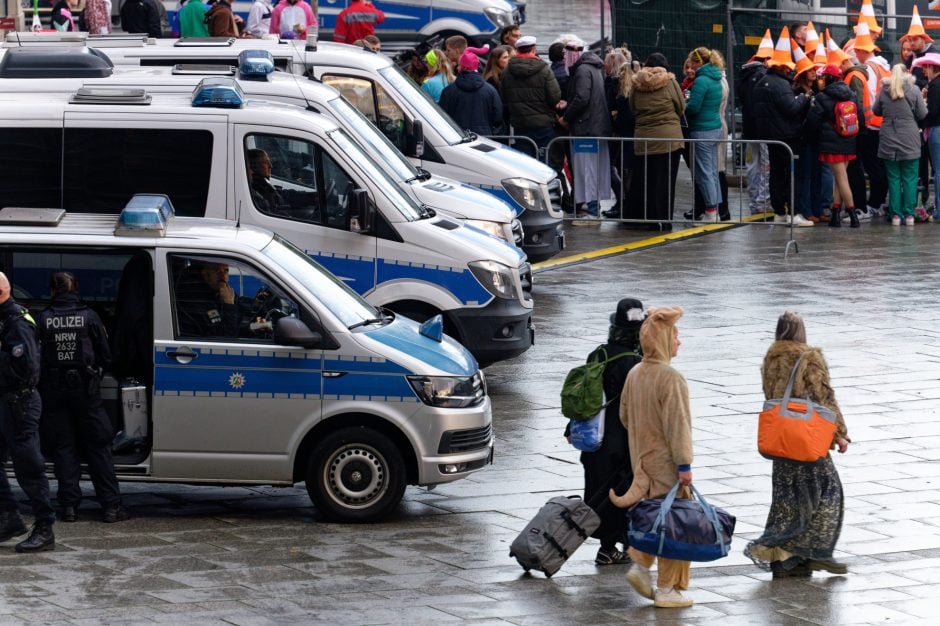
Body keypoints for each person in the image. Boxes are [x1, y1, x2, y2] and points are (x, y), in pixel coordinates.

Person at [745, 311, 850, 578]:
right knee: (827, 492)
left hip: (782, 441)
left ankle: (787, 558)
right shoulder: (809, 357)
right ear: (801, 331)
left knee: (787, 500)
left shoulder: (771, 357)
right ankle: (813, 554)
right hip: (807, 440)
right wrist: (839, 433)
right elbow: (823, 396)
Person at [610, 306, 695, 608]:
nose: (679, 342)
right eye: (675, 336)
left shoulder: (636, 372)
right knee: (676, 525)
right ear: (663, 340)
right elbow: (678, 425)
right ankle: (668, 588)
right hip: (667, 465)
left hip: (642, 462)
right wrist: (684, 464)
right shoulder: (670, 377)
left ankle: (641, 566)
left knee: (655, 519)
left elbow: (624, 417)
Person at [38, 273, 127, 525]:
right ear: (76, 290)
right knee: (98, 447)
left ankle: (68, 508)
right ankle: (111, 507)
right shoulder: (90, 317)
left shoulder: (44, 318)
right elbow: (107, 355)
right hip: (86, 393)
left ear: (52, 291)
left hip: (54, 393)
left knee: (64, 448)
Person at [563, 298, 644, 565]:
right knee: (622, 494)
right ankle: (626, 546)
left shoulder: (599, 353)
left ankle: (607, 548)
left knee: (598, 492)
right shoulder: (634, 363)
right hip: (621, 442)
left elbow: (588, 394)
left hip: (593, 439)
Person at [0, 272, 55, 553]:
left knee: (29, 468)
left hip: (19, 403)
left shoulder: (17, 322)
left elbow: (26, 369)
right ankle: (8, 518)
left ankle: (45, 528)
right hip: (5, 402)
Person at [751, 28, 810, 225]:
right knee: (794, 174)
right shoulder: (781, 85)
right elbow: (792, 108)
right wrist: (804, 97)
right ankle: (795, 213)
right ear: (784, 66)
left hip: (771, 137)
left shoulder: (761, 82)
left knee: (776, 174)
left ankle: (779, 212)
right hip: (789, 137)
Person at [625, 53, 684, 231]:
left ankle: (649, 220)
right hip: (669, 140)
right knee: (667, 181)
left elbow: (632, 108)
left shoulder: (636, 84)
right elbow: (681, 106)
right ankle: (665, 219)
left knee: (647, 181)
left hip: (644, 139)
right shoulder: (670, 82)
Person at [558, 37, 611, 220]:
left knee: (587, 170)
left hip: (586, 128)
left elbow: (582, 98)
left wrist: (566, 117)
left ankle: (592, 211)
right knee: (594, 170)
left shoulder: (581, 70)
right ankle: (592, 208)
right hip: (595, 126)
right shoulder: (593, 67)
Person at [804, 64, 860, 228]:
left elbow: (813, 121)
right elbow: (860, 117)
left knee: (842, 179)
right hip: (849, 141)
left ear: (829, 78)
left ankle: (852, 212)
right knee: (839, 179)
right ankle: (835, 214)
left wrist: (805, 134)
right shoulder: (851, 94)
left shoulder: (822, 97)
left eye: (822, 77)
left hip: (831, 144)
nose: (819, 81)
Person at [873, 64, 927, 226]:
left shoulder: (884, 90)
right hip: (909, 138)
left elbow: (876, 110)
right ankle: (909, 215)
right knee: (910, 178)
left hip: (888, 138)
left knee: (894, 178)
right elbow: (922, 114)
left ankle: (896, 215)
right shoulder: (914, 90)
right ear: (907, 73)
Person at [499, 35, 561, 159]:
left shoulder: (506, 72)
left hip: (520, 125)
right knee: (546, 161)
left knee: (526, 163)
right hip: (543, 125)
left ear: (517, 50)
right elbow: (555, 97)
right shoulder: (544, 69)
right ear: (534, 49)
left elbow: (504, 98)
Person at [683, 47, 724, 222]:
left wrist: (683, 105)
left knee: (704, 172)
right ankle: (716, 208)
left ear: (697, 62)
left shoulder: (701, 80)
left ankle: (711, 211)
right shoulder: (716, 78)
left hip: (701, 130)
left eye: (691, 61)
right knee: (712, 171)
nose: (690, 65)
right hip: (715, 128)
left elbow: (693, 108)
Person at [440, 46, 502, 136]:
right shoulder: (490, 90)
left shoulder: (449, 91)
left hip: (457, 137)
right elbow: (497, 116)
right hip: (485, 137)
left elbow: (443, 116)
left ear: (461, 67)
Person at [175, 260, 238, 338]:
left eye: (226, 270)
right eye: (216, 270)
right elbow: (223, 337)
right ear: (204, 274)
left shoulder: (221, 294)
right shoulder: (194, 301)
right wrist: (229, 305)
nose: (223, 276)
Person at [915, 53, 940, 214]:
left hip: (936, 130)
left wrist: (922, 110)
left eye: (926, 67)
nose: (924, 71)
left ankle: (938, 210)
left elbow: (932, 111)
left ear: (932, 67)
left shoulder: (935, 85)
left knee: (938, 171)